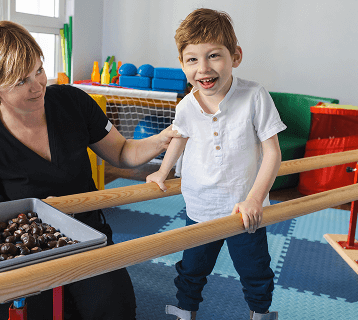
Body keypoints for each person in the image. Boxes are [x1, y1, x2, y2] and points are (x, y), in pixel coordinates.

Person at [0, 20, 180, 320]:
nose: (37, 86)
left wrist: (163, 138)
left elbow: (122, 151)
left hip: (87, 232)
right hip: (25, 247)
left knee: (114, 309)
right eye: (20, 81)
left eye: (38, 70)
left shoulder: (72, 102)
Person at [146, 9, 286, 320]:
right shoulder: (186, 105)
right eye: (192, 59)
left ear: (235, 56)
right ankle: (186, 311)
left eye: (213, 56)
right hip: (200, 207)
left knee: (255, 271)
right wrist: (162, 171)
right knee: (191, 270)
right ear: (182, 64)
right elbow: (179, 138)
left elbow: (273, 153)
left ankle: (260, 313)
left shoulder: (254, 96)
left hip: (243, 210)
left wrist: (253, 199)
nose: (203, 68)